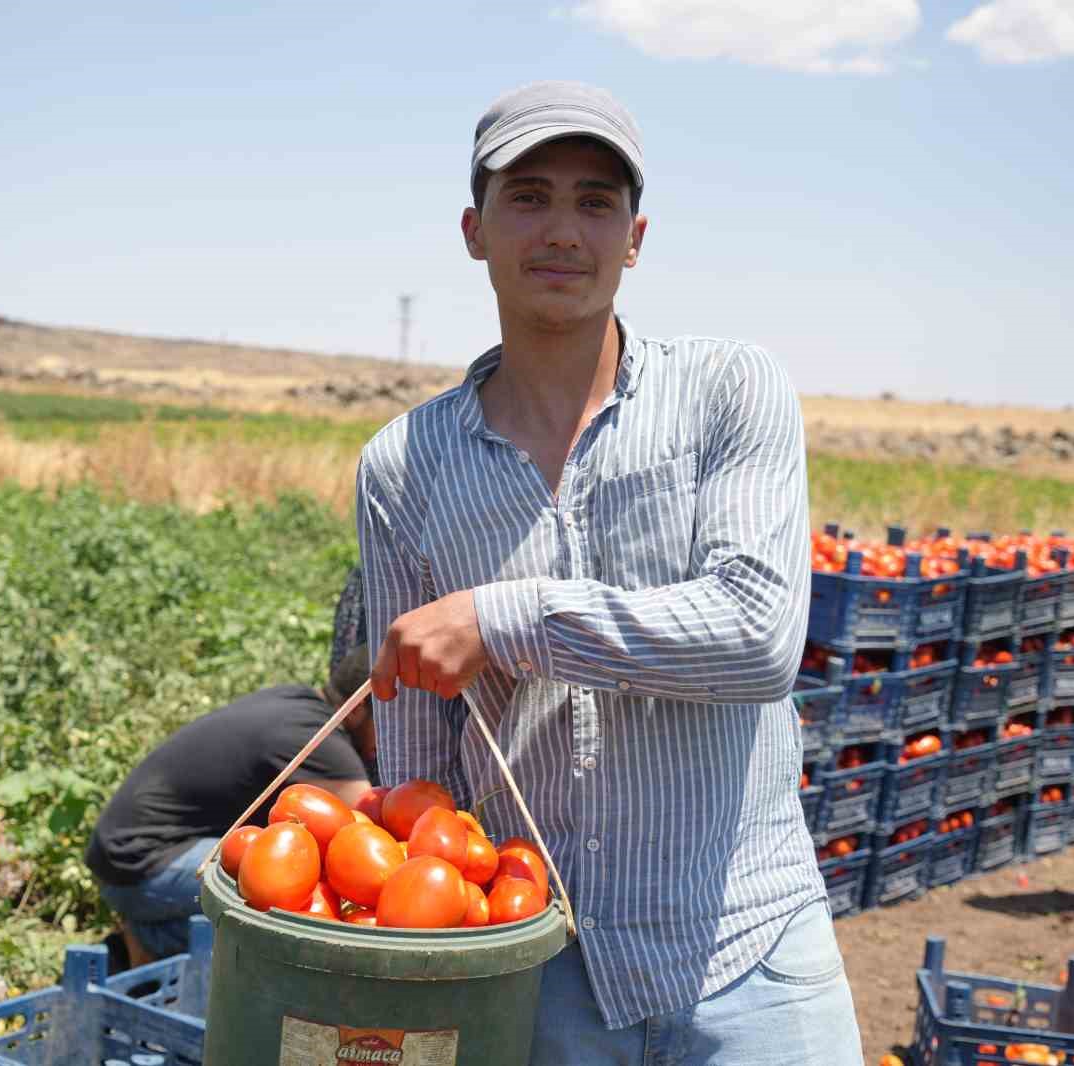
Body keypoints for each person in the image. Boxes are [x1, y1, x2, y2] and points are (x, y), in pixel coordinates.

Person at [354, 81, 862, 1064]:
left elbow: (758, 640)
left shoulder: (730, 390)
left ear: (634, 237)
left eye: (596, 202)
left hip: (748, 955)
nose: (563, 231)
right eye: (529, 195)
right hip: (540, 966)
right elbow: (418, 759)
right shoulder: (403, 465)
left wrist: (508, 616)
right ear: (474, 228)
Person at [84, 643, 376, 970]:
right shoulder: (320, 743)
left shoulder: (296, 702)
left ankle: (148, 940)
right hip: (141, 865)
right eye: (391, 722)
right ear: (358, 708)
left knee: (269, 877)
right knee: (274, 903)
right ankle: (154, 941)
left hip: (119, 853)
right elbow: (368, 832)